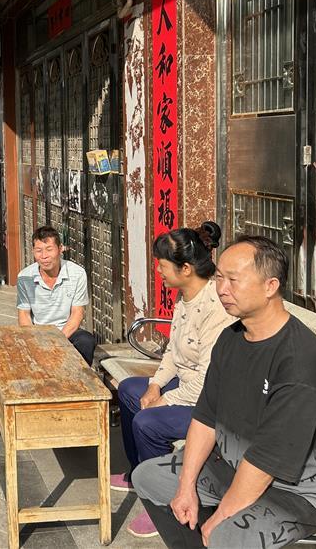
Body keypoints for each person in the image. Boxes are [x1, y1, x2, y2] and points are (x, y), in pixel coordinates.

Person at [132, 236, 316, 548]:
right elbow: (205, 417)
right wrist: (186, 486)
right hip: (232, 467)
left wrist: (221, 516)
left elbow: (268, 460)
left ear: (270, 286)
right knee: (148, 478)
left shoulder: (298, 361)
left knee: (225, 533)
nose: (222, 289)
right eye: (219, 277)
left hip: (296, 492)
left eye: (233, 280)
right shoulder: (231, 338)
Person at [110, 222, 235, 539]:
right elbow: (172, 353)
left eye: (162, 265)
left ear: (186, 269)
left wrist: (164, 399)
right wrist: (154, 385)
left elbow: (208, 381)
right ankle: (139, 471)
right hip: (188, 387)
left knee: (147, 421)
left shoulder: (216, 309)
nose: (159, 271)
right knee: (129, 390)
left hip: (213, 402)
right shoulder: (185, 296)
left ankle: (163, 503)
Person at [15, 226, 97, 365]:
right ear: (33, 252)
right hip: (37, 331)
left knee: (86, 341)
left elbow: (77, 313)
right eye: (38, 250)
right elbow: (24, 315)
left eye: (49, 249)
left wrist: (57, 341)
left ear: (60, 249)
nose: (44, 256)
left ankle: (79, 376)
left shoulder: (77, 273)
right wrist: (35, 339)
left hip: (66, 331)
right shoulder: (25, 277)